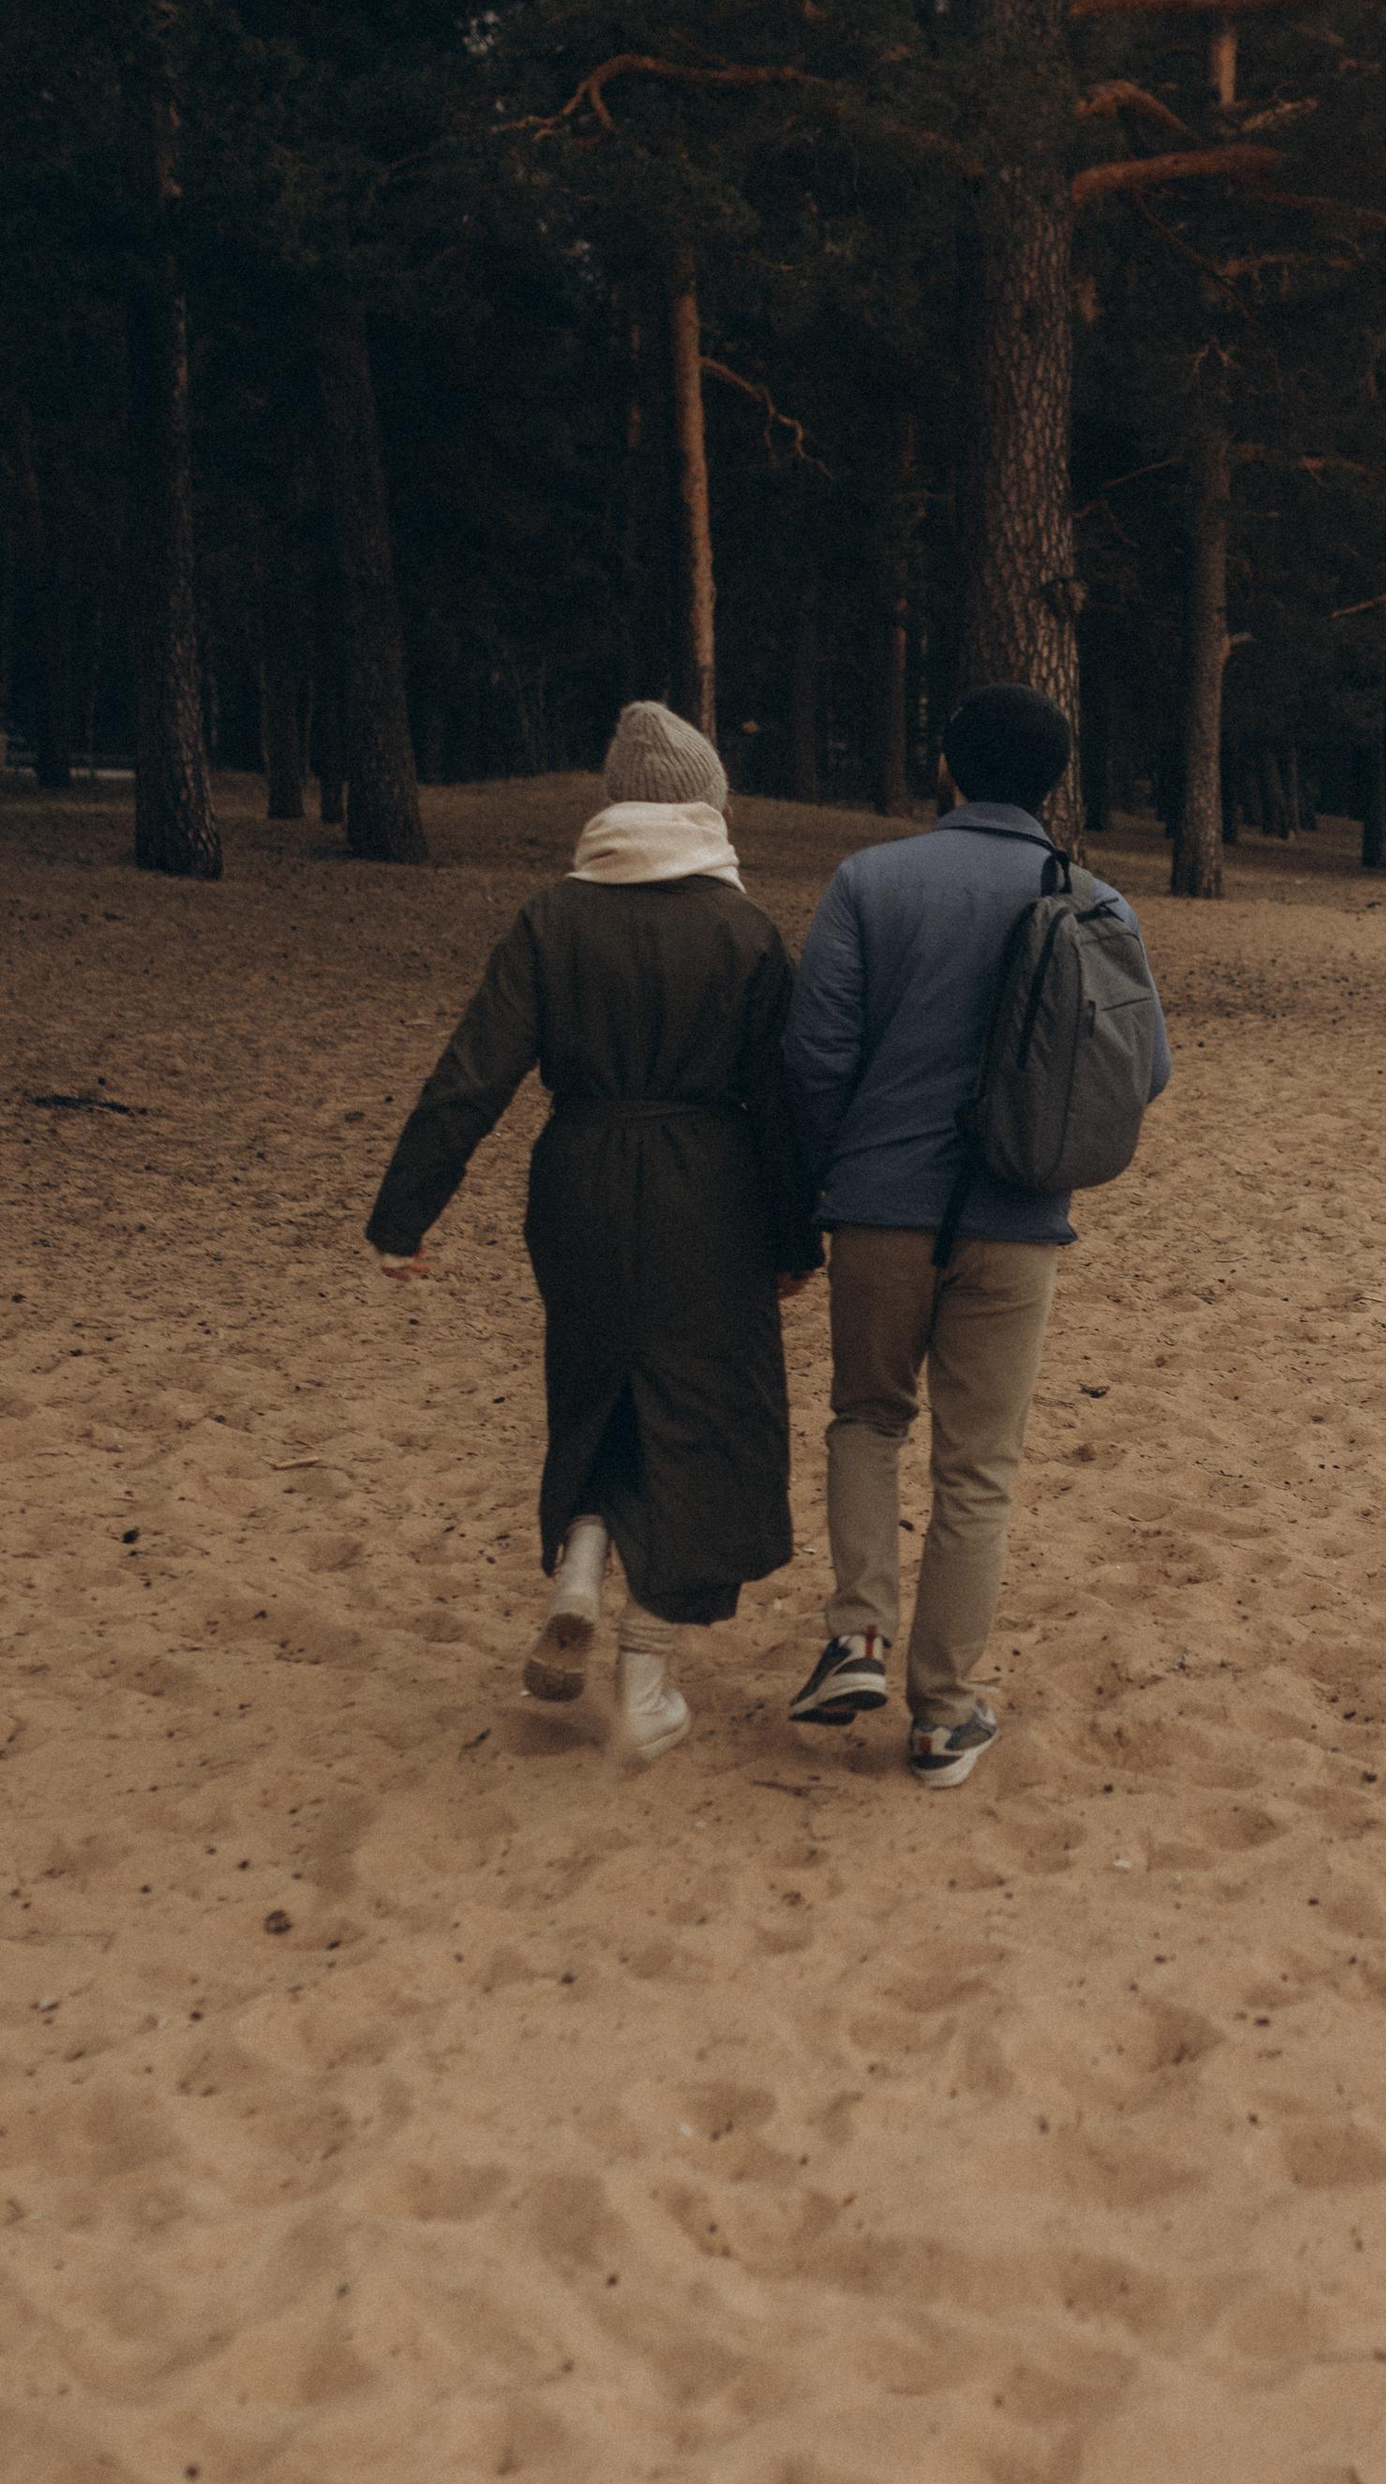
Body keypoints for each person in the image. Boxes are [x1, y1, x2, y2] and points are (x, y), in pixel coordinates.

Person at [365, 701, 821, 1760]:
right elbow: (783, 1105)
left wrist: (403, 1216)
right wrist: (797, 1240)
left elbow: (470, 1076)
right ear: (704, 806)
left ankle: (581, 1556)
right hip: (709, 1190)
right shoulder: (744, 931)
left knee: (599, 1379)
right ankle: (647, 1681)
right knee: (706, 1417)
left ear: (616, 806)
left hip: (574, 1178)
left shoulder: (550, 918)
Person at [782, 684, 1171, 1786]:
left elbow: (814, 1057)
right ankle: (943, 1712)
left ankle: (855, 1633)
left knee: (865, 1416)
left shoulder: (871, 880)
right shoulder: (1097, 903)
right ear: (1052, 781)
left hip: (877, 1208)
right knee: (977, 1470)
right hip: (1018, 1220)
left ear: (947, 766)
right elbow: (1147, 1071)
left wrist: (826, 1185)